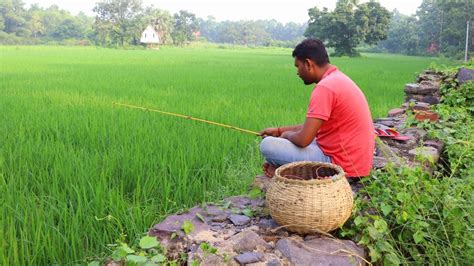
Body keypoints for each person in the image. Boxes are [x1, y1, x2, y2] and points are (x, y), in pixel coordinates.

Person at [259, 39, 375, 181]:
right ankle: (290, 170)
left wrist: (286, 135)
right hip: (356, 162)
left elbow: (303, 139)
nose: (297, 72)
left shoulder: (324, 88)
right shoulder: (337, 79)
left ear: (308, 64)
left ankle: (292, 172)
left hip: (341, 165)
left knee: (268, 145)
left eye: (298, 66)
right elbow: (310, 129)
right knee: (294, 140)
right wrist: (279, 130)